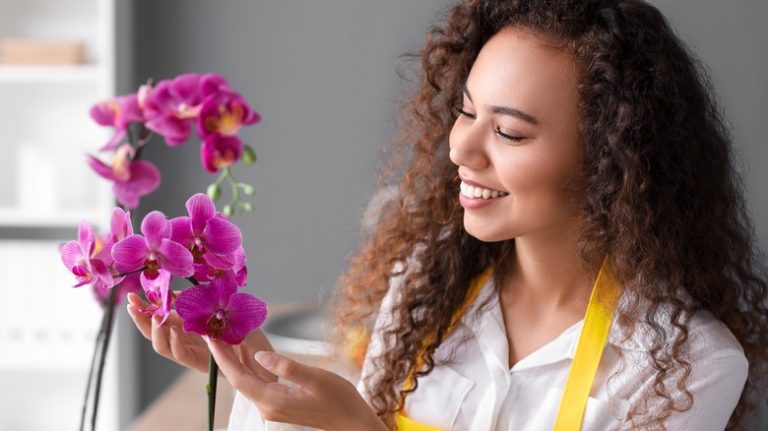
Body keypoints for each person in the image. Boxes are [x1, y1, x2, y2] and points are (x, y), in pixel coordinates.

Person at [127, 0, 768, 429]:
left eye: (510, 133)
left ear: (612, 162)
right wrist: (257, 375)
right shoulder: (426, 287)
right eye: (465, 112)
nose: (460, 147)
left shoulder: (688, 364)